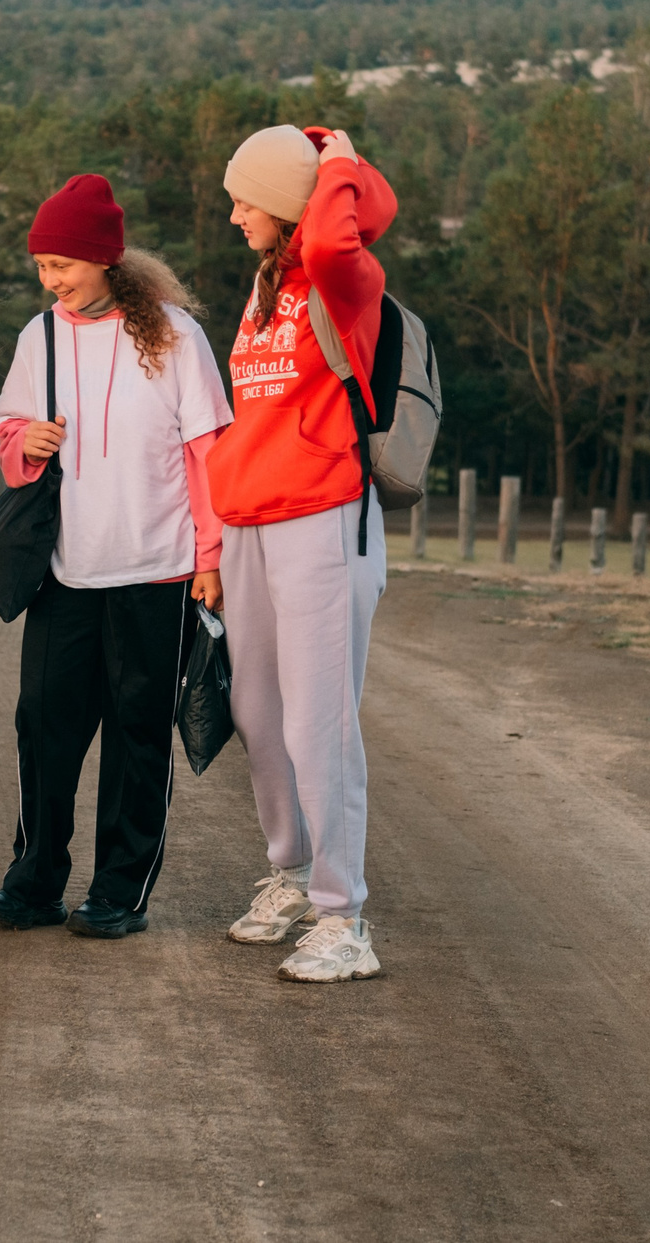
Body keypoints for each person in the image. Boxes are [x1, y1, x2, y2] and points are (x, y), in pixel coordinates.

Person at [0, 174, 234, 938]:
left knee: (137, 734)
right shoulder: (40, 337)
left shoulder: (176, 334)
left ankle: (120, 892)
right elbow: (9, 435)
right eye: (41, 265)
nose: (49, 279)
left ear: (103, 258)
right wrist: (28, 441)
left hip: (158, 570)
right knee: (43, 725)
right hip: (66, 570)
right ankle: (34, 882)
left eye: (61, 264)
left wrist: (211, 557)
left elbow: (208, 454)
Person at [205, 124, 397, 982]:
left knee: (320, 721)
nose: (233, 214)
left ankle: (343, 917)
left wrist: (334, 155)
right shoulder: (263, 287)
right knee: (257, 709)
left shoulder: (344, 279)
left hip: (323, 514)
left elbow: (327, 239)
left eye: (246, 198)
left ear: (289, 204)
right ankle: (291, 866)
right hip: (250, 517)